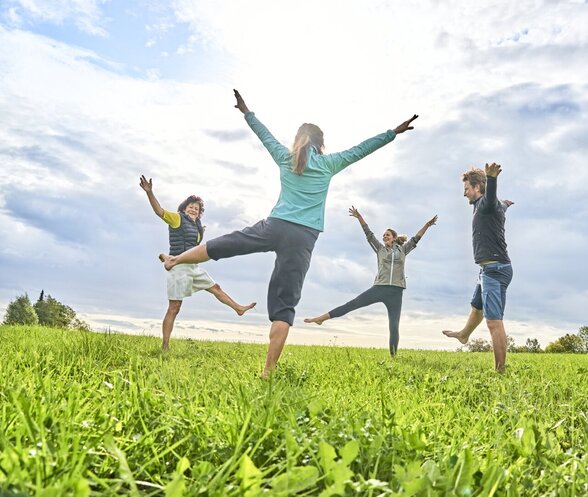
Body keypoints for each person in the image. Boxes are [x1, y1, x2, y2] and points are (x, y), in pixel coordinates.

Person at [161, 89, 419, 377]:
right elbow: (362, 149)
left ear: (298, 140)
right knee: (284, 304)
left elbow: (265, 135)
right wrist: (392, 132)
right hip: (303, 238)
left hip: (276, 225)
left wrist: (247, 112)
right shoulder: (329, 163)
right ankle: (267, 371)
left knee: (226, 243)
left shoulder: (286, 157)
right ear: (321, 144)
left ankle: (175, 260)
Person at [139, 175, 255, 350]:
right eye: (191, 207)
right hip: (178, 267)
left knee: (216, 288)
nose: (194, 209)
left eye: (197, 208)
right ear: (184, 209)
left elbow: (196, 249)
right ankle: (165, 346)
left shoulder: (199, 229)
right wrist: (149, 192)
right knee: (175, 307)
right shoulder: (176, 218)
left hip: (193, 267)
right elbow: (159, 211)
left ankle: (238, 308)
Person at [304, 207, 437, 356]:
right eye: (383, 235)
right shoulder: (380, 249)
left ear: (394, 237)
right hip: (379, 288)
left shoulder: (403, 250)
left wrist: (427, 225)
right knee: (352, 304)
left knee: (394, 326)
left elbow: (416, 238)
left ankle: (393, 359)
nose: (384, 237)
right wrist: (359, 216)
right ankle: (321, 318)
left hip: (396, 291)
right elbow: (368, 234)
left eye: (387, 235)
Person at [442, 163, 513, 371]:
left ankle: (500, 371)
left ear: (477, 188)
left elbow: (491, 199)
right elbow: (500, 203)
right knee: (477, 307)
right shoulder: (487, 206)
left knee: (493, 321)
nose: (464, 194)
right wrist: (507, 203)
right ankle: (464, 335)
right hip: (488, 270)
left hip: (495, 270)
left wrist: (492, 179)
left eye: (466, 189)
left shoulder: (485, 204)